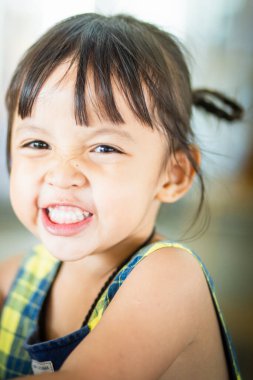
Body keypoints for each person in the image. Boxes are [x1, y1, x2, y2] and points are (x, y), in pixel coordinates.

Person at [0, 13, 243, 380]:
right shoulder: (16, 278)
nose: (62, 175)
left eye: (104, 148)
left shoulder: (170, 279)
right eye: (37, 143)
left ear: (173, 175)